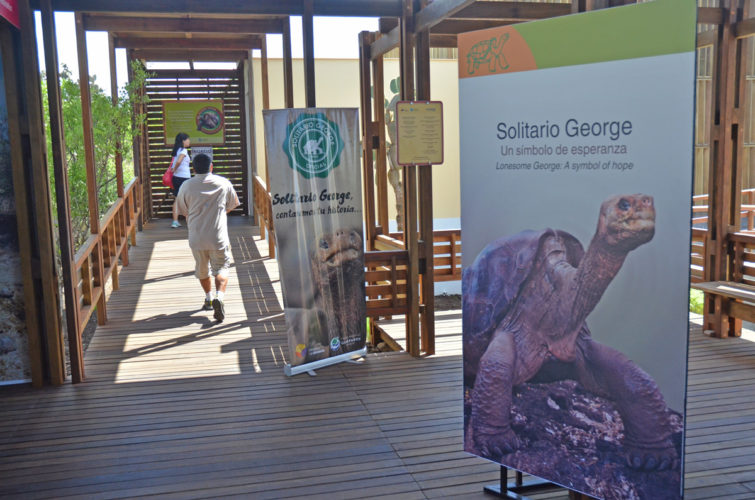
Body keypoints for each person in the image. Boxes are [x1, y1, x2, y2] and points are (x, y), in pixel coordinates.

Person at [175, 153, 240, 322]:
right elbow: (233, 204)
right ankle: (219, 296)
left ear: (193, 168)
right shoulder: (223, 183)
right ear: (211, 167)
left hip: (196, 236)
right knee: (222, 268)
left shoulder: (186, 186)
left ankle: (209, 298)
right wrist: (219, 213)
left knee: (202, 269)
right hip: (218, 236)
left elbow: (183, 210)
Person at [170, 132, 191, 228]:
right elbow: (179, 161)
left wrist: (174, 170)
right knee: (188, 199)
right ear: (183, 141)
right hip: (184, 178)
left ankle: (175, 221)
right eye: (188, 139)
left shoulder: (177, 150)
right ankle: (189, 221)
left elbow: (176, 161)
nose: (189, 141)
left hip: (176, 178)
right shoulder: (184, 151)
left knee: (177, 199)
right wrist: (175, 168)